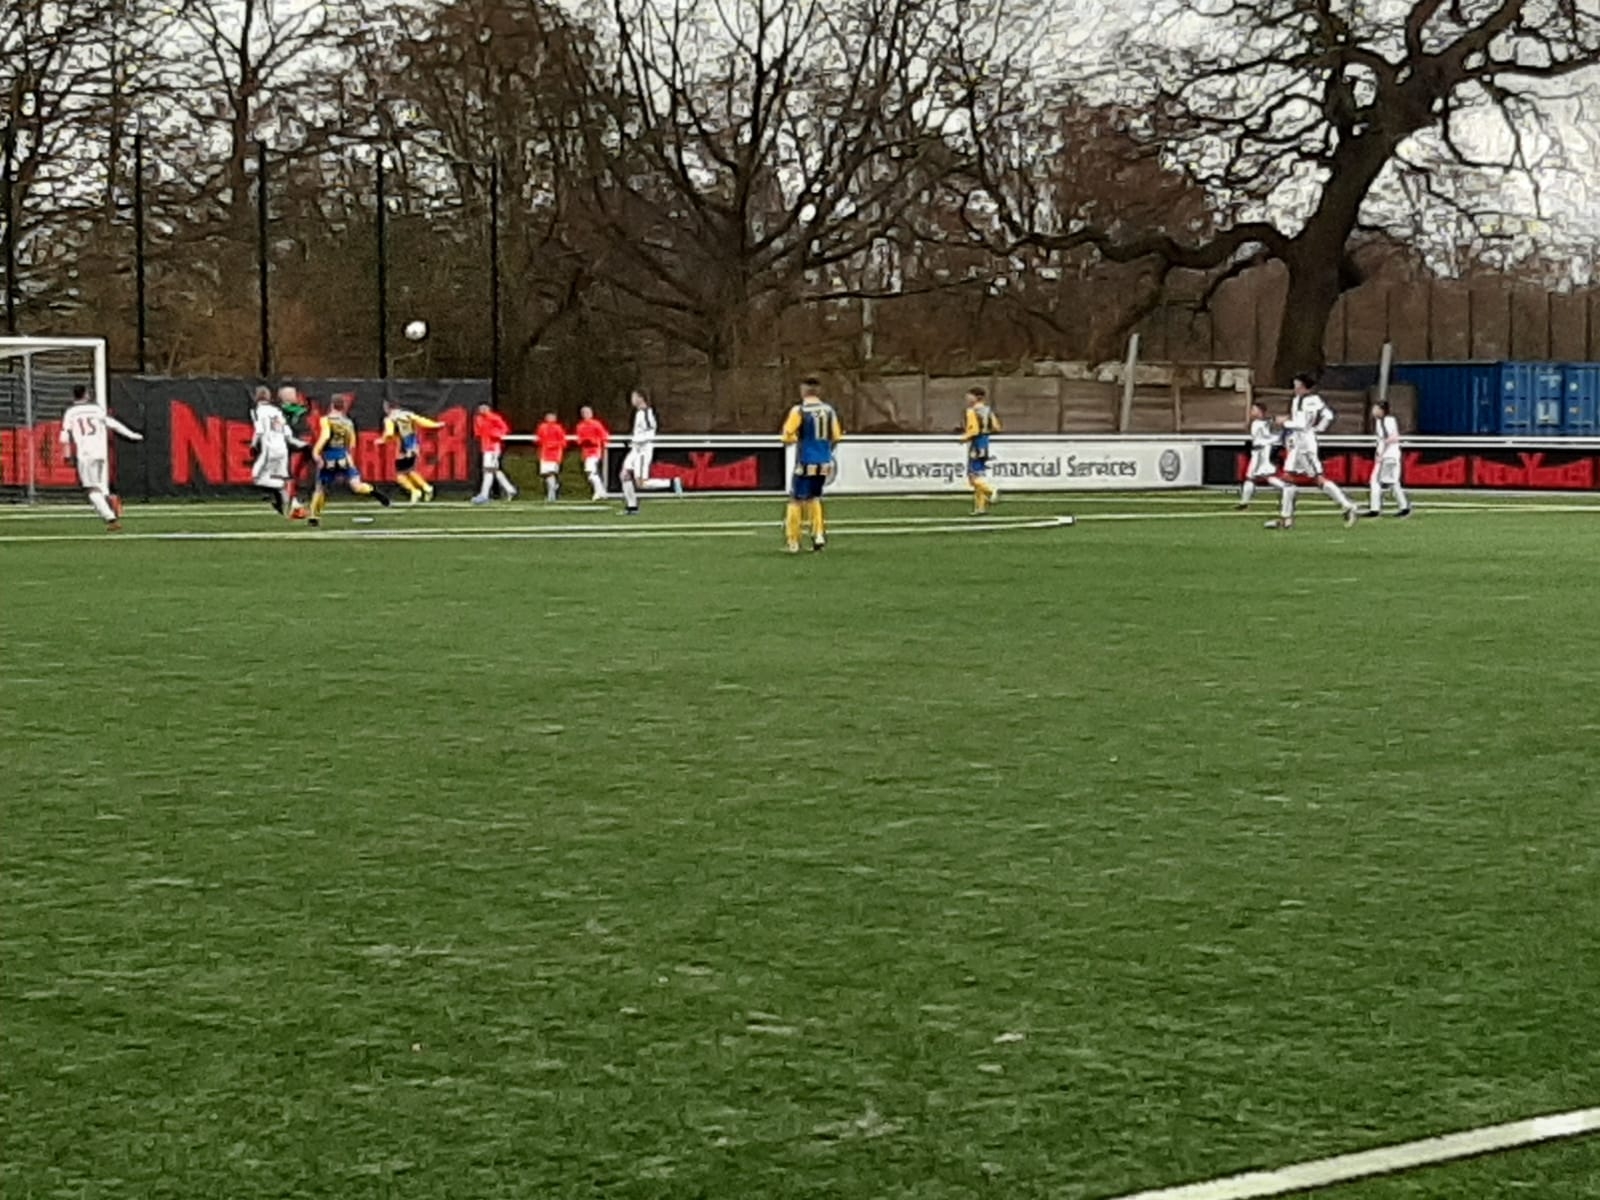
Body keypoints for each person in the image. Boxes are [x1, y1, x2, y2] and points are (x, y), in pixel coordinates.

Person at [1268, 373, 1359, 530]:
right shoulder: (1299, 400)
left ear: (1304, 387)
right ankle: (1286, 518)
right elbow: (1327, 415)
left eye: (1297, 385)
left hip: (1305, 445)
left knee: (1318, 479)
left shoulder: (1310, 400)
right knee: (1288, 479)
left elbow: (1302, 424)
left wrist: (1286, 423)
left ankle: (1348, 506)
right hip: (1297, 443)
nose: (1295, 388)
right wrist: (1318, 427)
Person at [58, 384, 142, 532]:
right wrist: (132, 435)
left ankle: (110, 518)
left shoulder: (71, 412)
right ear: (86, 395)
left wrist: (66, 454)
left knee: (91, 489)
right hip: (100, 452)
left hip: (85, 454)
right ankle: (109, 498)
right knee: (98, 483)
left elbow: (64, 435)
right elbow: (113, 424)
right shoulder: (96, 409)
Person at [780, 377, 843, 553]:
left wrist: (795, 440)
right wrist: (825, 450)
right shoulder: (829, 410)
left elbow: (787, 435)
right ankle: (818, 535)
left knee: (796, 499)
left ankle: (793, 540)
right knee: (814, 497)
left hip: (805, 461)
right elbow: (836, 436)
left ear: (803, 391)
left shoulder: (799, 410)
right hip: (824, 462)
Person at [308, 394, 391, 527]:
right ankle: (373, 491)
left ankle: (314, 516)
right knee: (356, 485)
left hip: (329, 456)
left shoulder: (326, 420)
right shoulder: (348, 422)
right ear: (343, 407)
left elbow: (325, 436)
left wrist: (316, 452)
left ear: (331, 405)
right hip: (344, 455)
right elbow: (352, 443)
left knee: (320, 488)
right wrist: (349, 457)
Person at [619, 390, 680, 514]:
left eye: (634, 397)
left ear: (641, 398)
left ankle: (671, 483)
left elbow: (650, 433)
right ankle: (632, 507)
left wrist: (635, 440)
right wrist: (632, 440)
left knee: (641, 483)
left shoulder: (647, 413)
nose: (632, 400)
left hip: (643, 451)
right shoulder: (638, 413)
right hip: (635, 449)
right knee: (624, 474)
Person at [250, 385, 307, 518]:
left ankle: (284, 489)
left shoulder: (257, 411)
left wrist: (253, 444)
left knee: (257, 477)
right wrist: (302, 444)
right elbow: (287, 434)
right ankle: (294, 507)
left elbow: (259, 430)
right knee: (281, 479)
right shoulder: (276, 411)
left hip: (269, 449)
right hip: (282, 449)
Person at [379, 399, 445, 504]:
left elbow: (389, 433)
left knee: (400, 475)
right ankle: (426, 488)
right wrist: (436, 424)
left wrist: (382, 440)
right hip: (413, 446)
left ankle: (415, 491)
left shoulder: (389, 419)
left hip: (403, 448)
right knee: (409, 471)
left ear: (387, 408)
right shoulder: (407, 414)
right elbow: (422, 421)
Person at [1365, 399, 1412, 519]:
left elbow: (1391, 438)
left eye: (1376, 408)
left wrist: (1381, 454)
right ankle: (1404, 507)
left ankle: (1375, 509)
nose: (1373, 411)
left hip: (1387, 457)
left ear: (1382, 410)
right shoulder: (1384, 421)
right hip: (1392, 456)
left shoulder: (1385, 421)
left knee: (1375, 481)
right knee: (1393, 482)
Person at [1236, 399, 1286, 510]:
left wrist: (1278, 422)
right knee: (1251, 477)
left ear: (1260, 411)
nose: (1251, 412)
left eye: (1253, 409)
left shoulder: (1265, 423)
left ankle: (1287, 490)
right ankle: (1244, 503)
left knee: (1264, 476)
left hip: (1263, 452)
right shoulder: (1258, 423)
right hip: (1257, 452)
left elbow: (1273, 430)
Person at [962, 386, 1001, 515]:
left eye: (969, 395)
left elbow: (973, 430)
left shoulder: (971, 411)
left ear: (976, 397)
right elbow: (996, 427)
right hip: (985, 443)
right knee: (978, 475)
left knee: (972, 477)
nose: (967, 398)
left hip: (976, 444)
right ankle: (980, 507)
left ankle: (991, 491)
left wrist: (964, 438)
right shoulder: (988, 410)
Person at [472, 403, 518, 503]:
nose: (482, 410)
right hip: (485, 447)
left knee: (488, 470)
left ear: (489, 409)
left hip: (493, 447)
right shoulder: (479, 419)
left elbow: (504, 429)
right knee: (493, 470)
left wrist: (495, 434)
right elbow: (478, 433)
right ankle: (510, 489)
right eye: (480, 408)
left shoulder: (494, 417)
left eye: (484, 408)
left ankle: (484, 494)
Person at [575, 405, 610, 500]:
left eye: (588, 412)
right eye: (584, 413)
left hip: (594, 451)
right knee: (590, 473)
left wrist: (595, 442)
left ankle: (599, 492)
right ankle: (601, 492)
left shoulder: (596, 424)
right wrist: (583, 442)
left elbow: (604, 436)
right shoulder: (580, 426)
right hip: (585, 453)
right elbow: (579, 439)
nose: (586, 414)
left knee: (591, 472)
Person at [535, 411, 569, 502]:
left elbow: (563, 442)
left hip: (554, 455)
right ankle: (553, 488)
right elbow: (539, 439)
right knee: (546, 474)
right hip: (544, 454)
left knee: (550, 473)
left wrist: (553, 445)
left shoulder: (558, 428)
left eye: (551, 417)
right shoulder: (542, 427)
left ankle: (551, 495)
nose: (550, 419)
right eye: (548, 417)